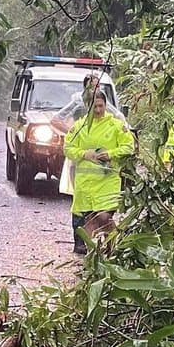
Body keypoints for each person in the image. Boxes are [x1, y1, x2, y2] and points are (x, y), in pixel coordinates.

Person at [63, 89, 135, 254]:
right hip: (85, 183)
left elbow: (129, 146)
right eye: (94, 107)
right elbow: (67, 148)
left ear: (106, 105)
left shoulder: (116, 126)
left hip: (108, 181)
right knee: (84, 219)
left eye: (100, 106)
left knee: (103, 217)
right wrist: (84, 154)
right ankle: (91, 251)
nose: (97, 110)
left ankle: (113, 247)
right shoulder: (79, 127)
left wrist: (111, 154)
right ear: (87, 106)